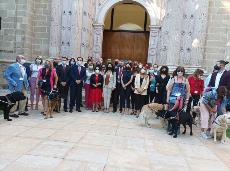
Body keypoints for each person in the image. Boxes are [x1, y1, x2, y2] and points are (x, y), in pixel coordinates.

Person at [166, 66, 190, 138]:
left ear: (183, 72)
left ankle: (177, 128)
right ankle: (170, 127)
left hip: (181, 100)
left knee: (179, 114)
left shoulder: (186, 80)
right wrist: (167, 98)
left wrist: (187, 100)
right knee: (171, 113)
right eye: (178, 71)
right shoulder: (173, 79)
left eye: (181, 71)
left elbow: (188, 91)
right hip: (173, 98)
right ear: (176, 72)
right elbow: (169, 89)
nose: (180, 73)